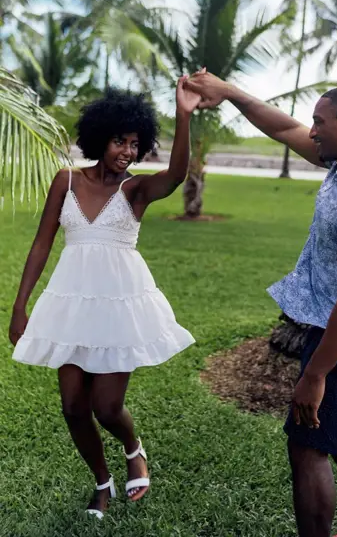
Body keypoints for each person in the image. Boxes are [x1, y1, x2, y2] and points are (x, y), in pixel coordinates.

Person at [184, 72, 337, 537]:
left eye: (319, 122)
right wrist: (229, 92)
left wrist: (315, 374)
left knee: (307, 447)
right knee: (334, 427)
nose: (310, 131)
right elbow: (283, 130)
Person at [9, 79, 200, 520]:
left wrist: (185, 115)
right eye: (120, 141)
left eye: (136, 144)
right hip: (72, 303)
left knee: (107, 406)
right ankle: (102, 481)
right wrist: (21, 307)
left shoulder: (135, 191)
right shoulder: (67, 180)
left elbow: (175, 175)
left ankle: (134, 448)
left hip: (119, 304)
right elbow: (41, 245)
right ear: (99, 137)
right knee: (74, 407)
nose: (128, 152)